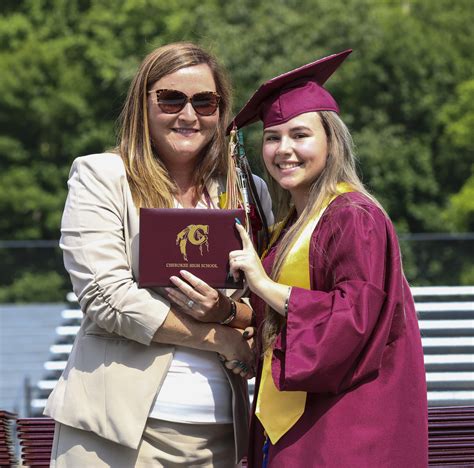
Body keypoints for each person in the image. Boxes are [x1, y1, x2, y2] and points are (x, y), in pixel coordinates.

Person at [44, 42, 273, 467]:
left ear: (221, 111)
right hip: (114, 431)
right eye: (171, 99)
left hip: (221, 434)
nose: (188, 115)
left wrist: (228, 313)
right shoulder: (102, 176)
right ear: (143, 104)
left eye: (205, 102)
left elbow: (260, 296)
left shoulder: (248, 191)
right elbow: (105, 295)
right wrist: (218, 338)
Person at [225, 50, 429, 467]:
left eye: (300, 135)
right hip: (301, 421)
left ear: (331, 140)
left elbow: (353, 318)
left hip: (347, 425)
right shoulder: (294, 225)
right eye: (272, 137)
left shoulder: (354, 218)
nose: (284, 149)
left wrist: (263, 285)